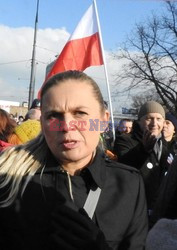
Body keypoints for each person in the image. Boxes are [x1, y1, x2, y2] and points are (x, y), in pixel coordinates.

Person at [0, 70, 148, 250]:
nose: (67, 126)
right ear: (42, 123)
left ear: (103, 120)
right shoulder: (9, 178)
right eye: (54, 115)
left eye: (79, 113)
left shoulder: (128, 184)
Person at [113, 101, 170, 217]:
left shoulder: (163, 145)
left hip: (158, 208)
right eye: (149, 118)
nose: (154, 123)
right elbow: (124, 163)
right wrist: (143, 149)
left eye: (159, 119)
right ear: (139, 121)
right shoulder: (125, 140)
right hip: (134, 208)